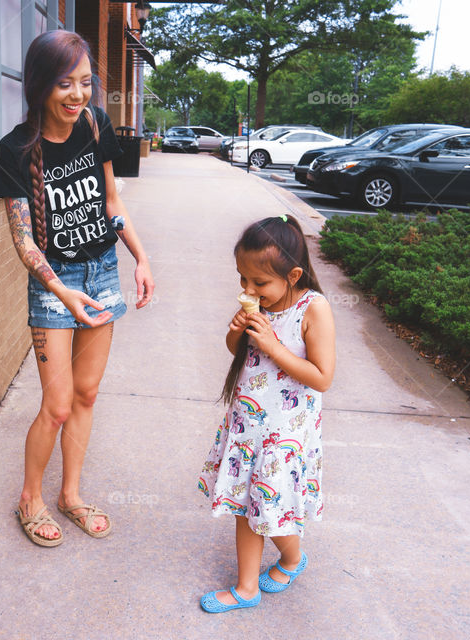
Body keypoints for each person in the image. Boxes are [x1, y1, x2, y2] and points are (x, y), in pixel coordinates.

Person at [0, 30, 154, 547]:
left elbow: (110, 201)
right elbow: (24, 242)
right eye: (65, 84)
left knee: (86, 394)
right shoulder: (15, 150)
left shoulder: (94, 124)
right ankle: (30, 498)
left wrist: (141, 258)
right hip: (53, 286)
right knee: (57, 404)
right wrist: (62, 293)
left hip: (102, 273)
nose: (77, 95)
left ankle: (71, 495)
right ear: (39, 85)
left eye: (85, 83)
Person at [197, 215, 335, 612]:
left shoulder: (314, 308)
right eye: (243, 279)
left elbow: (322, 378)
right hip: (247, 426)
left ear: (293, 275)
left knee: (270, 509)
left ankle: (292, 558)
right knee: (245, 505)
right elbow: (234, 350)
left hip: (286, 435)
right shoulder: (260, 303)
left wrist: (275, 347)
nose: (248, 289)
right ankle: (246, 588)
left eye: (259, 283)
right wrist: (238, 329)